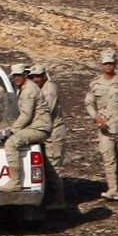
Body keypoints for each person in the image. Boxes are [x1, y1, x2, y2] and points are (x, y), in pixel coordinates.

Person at [84, 49, 118, 201]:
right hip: (105, 128)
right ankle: (112, 189)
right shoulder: (95, 84)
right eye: (106, 63)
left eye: (111, 63)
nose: (108, 66)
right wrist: (96, 118)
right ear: (101, 65)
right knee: (109, 159)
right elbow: (89, 103)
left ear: (115, 64)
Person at [0, 64, 53, 192]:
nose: (17, 78)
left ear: (25, 75)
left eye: (19, 76)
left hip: (39, 127)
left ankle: (16, 182)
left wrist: (12, 130)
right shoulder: (22, 88)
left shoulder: (29, 91)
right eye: (14, 76)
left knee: (11, 143)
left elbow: (26, 116)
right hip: (33, 126)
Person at [30, 64, 68, 209]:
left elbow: (46, 111)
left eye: (38, 76)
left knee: (53, 167)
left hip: (53, 133)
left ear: (44, 75)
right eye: (33, 77)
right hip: (46, 132)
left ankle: (59, 200)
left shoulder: (49, 89)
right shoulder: (39, 89)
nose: (35, 79)